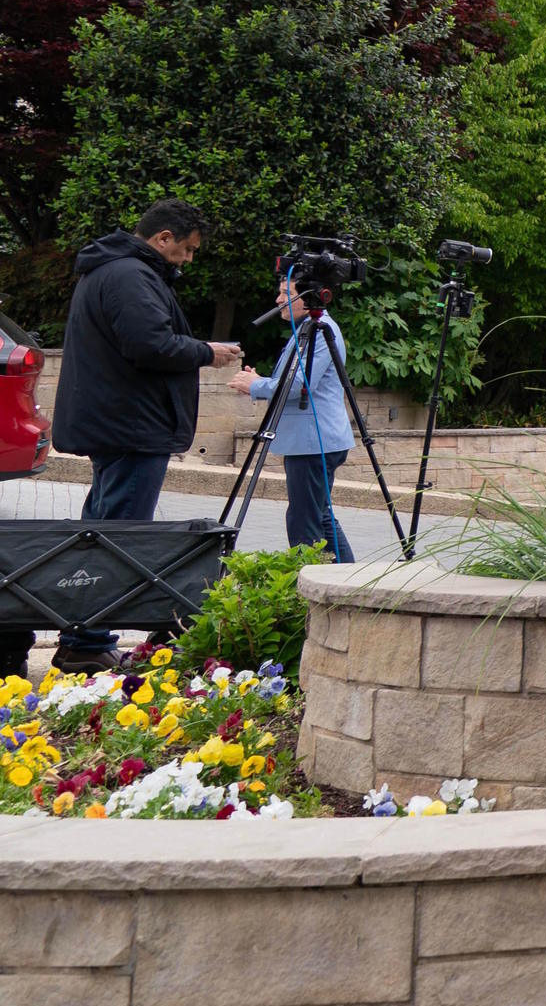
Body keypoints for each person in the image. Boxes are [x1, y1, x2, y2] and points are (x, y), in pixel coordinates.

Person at [22, 200, 241, 675]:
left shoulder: (114, 270)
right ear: (162, 238)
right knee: (122, 533)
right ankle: (88, 639)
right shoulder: (129, 275)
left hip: (119, 422)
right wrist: (209, 351)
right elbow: (149, 344)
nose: (187, 260)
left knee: (103, 526)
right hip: (131, 426)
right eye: (186, 250)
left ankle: (82, 633)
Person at [229, 273, 358, 562]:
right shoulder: (310, 328)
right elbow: (296, 379)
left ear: (307, 296)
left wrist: (257, 386)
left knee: (304, 524)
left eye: (286, 293)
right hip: (314, 441)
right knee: (320, 516)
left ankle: (315, 589)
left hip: (314, 443)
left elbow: (301, 385)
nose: (278, 300)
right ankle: (346, 583)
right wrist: (261, 381)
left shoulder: (321, 329)